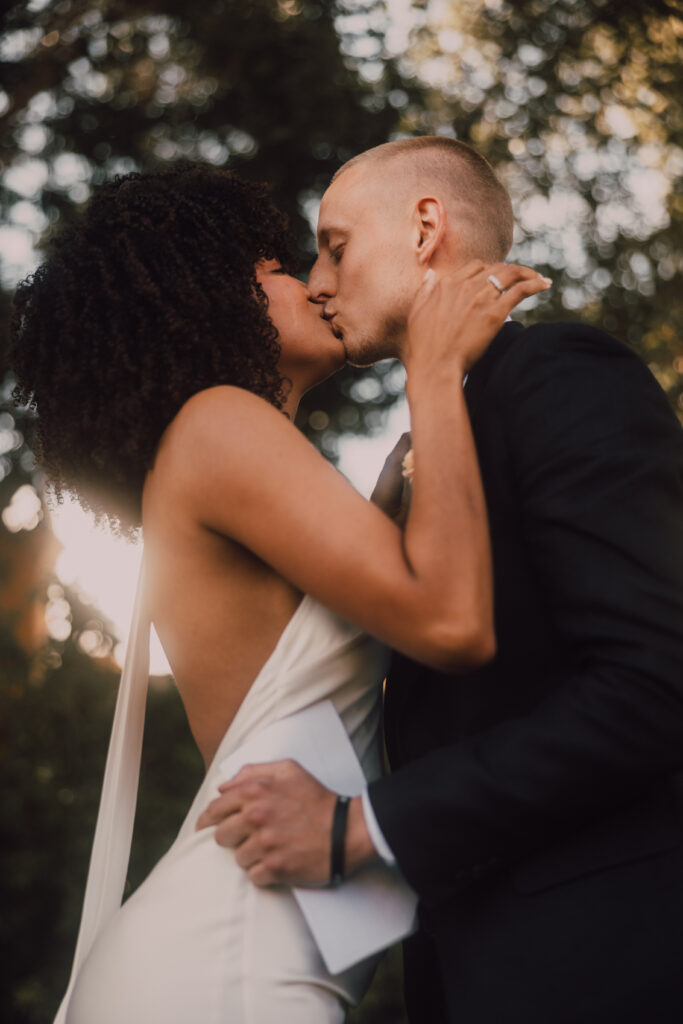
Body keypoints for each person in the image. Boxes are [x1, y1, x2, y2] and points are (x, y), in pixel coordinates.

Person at [9, 164, 548, 1024]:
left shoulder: (219, 460)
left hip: (241, 956)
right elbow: (450, 621)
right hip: (227, 964)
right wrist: (433, 370)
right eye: (279, 270)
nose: (314, 284)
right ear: (208, 301)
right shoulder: (218, 423)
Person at [199, 137, 683, 1024]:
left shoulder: (557, 374)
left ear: (426, 227)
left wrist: (362, 827)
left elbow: (655, 685)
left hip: (608, 962)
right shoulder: (426, 439)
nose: (317, 280)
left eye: (336, 246)